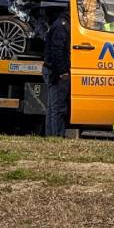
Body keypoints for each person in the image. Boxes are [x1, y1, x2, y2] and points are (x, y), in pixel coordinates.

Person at [42, 9, 71, 137]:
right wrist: (63, 71)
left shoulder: (59, 23)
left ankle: (51, 136)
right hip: (56, 71)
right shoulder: (62, 26)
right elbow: (57, 50)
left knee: (53, 107)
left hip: (52, 69)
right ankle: (57, 136)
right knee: (58, 107)